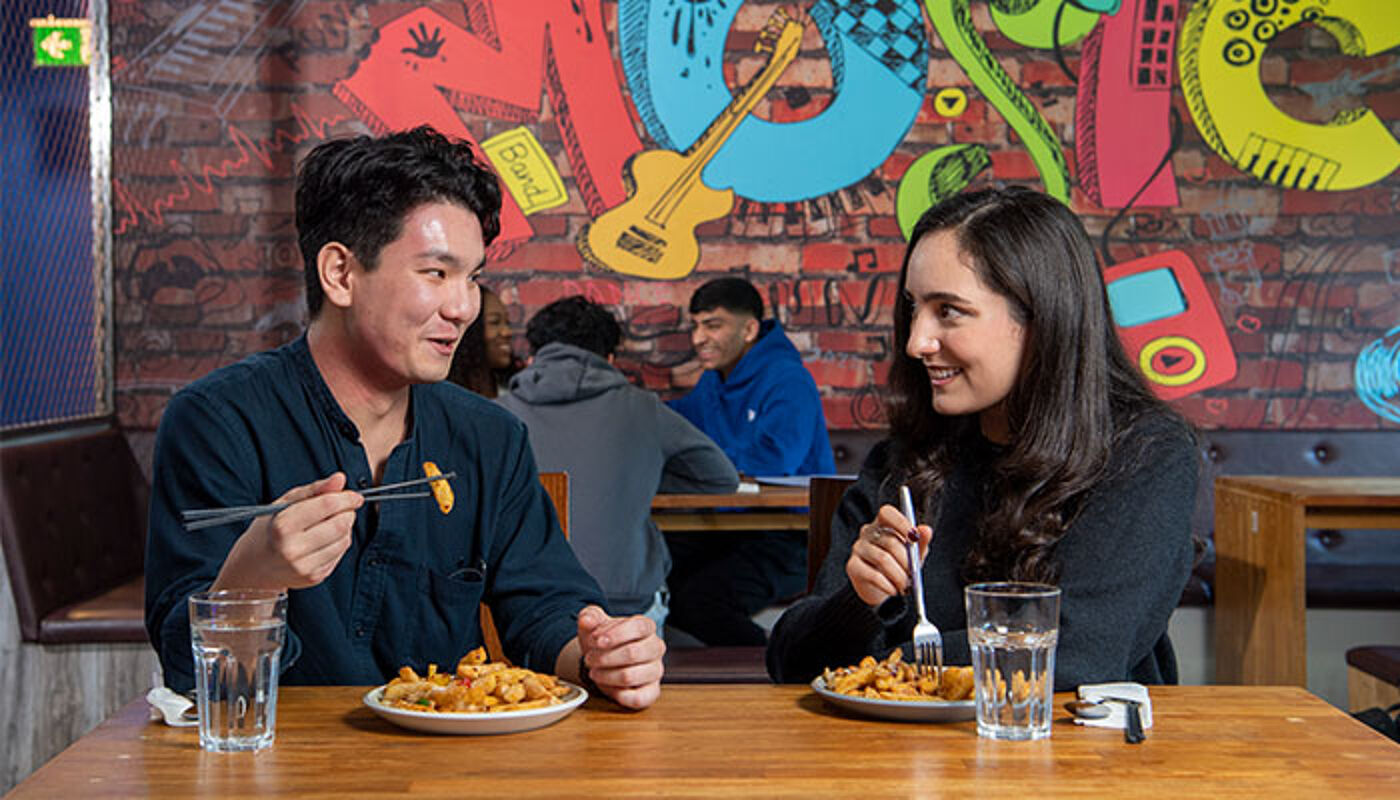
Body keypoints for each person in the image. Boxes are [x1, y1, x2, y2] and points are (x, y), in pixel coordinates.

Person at [144, 126, 664, 709]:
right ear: (340, 274)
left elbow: (545, 607)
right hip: (280, 767)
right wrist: (255, 578)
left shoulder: (489, 437)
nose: (464, 307)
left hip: (452, 768)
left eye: (472, 278)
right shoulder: (218, 422)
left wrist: (602, 656)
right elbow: (192, 675)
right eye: (436, 273)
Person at [766, 186, 1200, 690]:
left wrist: (882, 662)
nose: (916, 342)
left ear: (1041, 318)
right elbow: (790, 663)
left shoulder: (1145, 454)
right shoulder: (903, 464)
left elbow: (1079, 652)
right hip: (899, 762)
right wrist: (858, 604)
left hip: (1078, 759)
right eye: (914, 308)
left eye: (948, 310)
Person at [498, 295, 739, 631]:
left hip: (522, 610)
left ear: (533, 357)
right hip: (626, 608)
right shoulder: (644, 409)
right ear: (609, 359)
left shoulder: (497, 414)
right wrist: (638, 475)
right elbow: (721, 479)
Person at [664, 277, 836, 646]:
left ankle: (782, 668)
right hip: (732, 527)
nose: (698, 338)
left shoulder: (788, 379)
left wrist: (701, 461)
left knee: (702, 600)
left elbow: (777, 459)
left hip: (793, 535)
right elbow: (677, 425)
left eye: (713, 325)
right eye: (695, 325)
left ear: (750, 329)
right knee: (655, 567)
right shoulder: (713, 381)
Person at [447, 285, 520, 398]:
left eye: (507, 322)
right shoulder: (442, 396)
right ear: (468, 331)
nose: (507, 332)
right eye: (494, 322)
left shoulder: (518, 391)